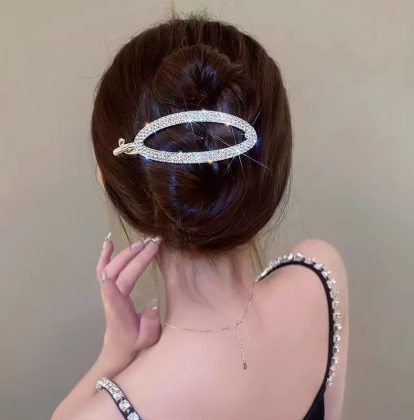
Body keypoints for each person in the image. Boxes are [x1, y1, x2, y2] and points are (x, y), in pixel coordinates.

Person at [52, 10, 349, 420]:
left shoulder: (106, 414)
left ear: (111, 184)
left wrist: (113, 356)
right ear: (272, 170)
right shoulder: (320, 276)